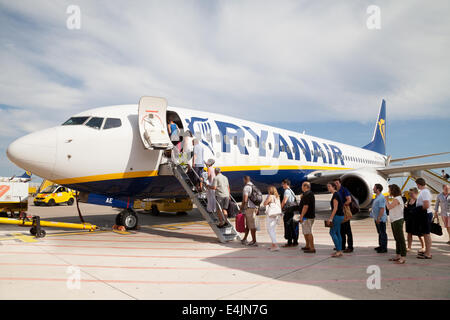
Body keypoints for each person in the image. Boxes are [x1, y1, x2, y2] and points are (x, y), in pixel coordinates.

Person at [385, 184, 407, 264]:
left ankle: (403, 256)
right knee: (397, 238)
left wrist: (386, 200)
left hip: (398, 220)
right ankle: (398, 255)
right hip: (394, 220)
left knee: (400, 238)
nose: (388, 191)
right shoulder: (396, 198)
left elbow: (389, 207)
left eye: (389, 190)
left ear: (393, 190)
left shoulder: (397, 198)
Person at [333, 178, 353, 253]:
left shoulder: (344, 190)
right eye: (335, 183)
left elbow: (349, 200)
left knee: (348, 231)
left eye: (337, 183)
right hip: (339, 213)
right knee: (341, 231)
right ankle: (342, 246)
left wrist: (342, 205)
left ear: (340, 183)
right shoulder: (336, 191)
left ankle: (350, 247)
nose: (336, 184)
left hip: (344, 213)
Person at [416, 178, 433, 259]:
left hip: (425, 214)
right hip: (425, 214)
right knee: (425, 234)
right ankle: (427, 251)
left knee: (426, 234)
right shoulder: (424, 191)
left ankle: (428, 253)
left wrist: (418, 209)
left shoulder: (425, 192)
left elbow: (426, 205)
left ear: (419, 184)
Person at [404, 187, 425, 253]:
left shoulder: (418, 200)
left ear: (416, 193)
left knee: (419, 234)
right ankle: (409, 247)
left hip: (417, 220)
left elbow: (421, 210)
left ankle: (423, 247)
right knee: (409, 233)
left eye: (411, 193)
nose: (410, 194)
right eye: (409, 193)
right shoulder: (409, 200)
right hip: (409, 219)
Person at [327, 182, 344, 257]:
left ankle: (338, 250)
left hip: (337, 216)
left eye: (329, 186)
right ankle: (339, 250)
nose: (328, 188)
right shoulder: (337, 194)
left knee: (332, 232)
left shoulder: (335, 195)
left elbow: (335, 208)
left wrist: (330, 218)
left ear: (333, 187)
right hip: (340, 216)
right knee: (338, 233)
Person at [241, 176, 259, 246]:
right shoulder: (253, 186)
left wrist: (241, 208)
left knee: (251, 225)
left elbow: (245, 200)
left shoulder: (246, 187)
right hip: (254, 207)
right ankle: (245, 238)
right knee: (248, 225)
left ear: (245, 180)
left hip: (249, 208)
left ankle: (254, 241)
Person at [281, 179, 299, 247]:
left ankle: (289, 242)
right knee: (292, 226)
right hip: (291, 211)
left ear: (286, 184)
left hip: (288, 211)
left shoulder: (286, 191)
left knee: (288, 226)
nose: (282, 185)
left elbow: (284, 200)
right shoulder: (291, 191)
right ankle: (295, 241)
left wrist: (281, 207)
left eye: (283, 184)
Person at [298, 182, 316, 253]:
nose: (301, 187)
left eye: (302, 186)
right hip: (309, 216)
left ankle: (312, 248)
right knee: (305, 231)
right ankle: (307, 245)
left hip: (307, 216)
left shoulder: (307, 195)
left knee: (308, 232)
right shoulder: (309, 194)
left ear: (305, 186)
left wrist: (301, 216)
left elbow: (305, 206)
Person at [264, 186, 283, 251]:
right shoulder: (277, 197)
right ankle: (273, 244)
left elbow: (265, 203)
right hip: (276, 215)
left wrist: (267, 201)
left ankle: (275, 245)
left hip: (271, 215)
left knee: (270, 230)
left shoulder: (270, 196)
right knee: (273, 229)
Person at [371, 184, 387, 253]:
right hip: (377, 218)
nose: (373, 189)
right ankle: (381, 245)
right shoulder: (377, 197)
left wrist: (379, 218)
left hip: (380, 219)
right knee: (380, 232)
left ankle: (384, 248)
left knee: (382, 233)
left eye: (374, 188)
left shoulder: (381, 198)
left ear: (378, 189)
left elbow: (382, 209)